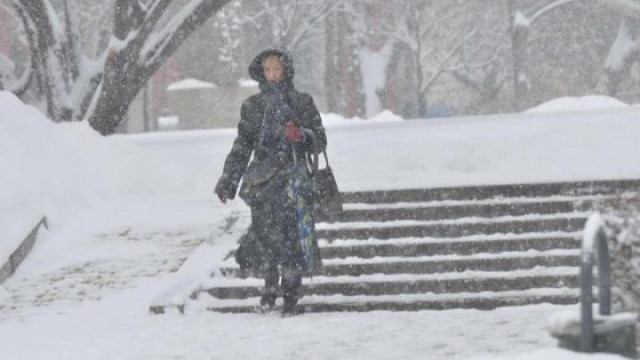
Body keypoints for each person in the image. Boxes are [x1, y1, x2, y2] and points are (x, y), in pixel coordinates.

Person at [214, 48, 326, 315]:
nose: (273, 74)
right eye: (268, 69)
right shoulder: (253, 106)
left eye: (277, 69)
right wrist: (228, 181)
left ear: (286, 70)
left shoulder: (302, 102)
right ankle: (269, 287)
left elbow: (320, 140)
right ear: (261, 73)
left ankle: (290, 294)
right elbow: (242, 146)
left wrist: (302, 135)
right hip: (263, 182)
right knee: (265, 237)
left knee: (292, 239)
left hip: (294, 181)